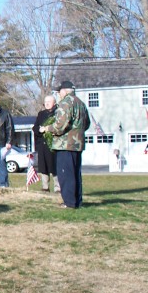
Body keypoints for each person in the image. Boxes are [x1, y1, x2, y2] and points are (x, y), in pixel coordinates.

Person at [40, 80, 90, 208]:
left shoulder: (66, 103)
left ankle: (69, 202)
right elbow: (87, 124)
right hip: (77, 144)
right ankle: (77, 201)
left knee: (65, 174)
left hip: (65, 144)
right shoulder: (81, 103)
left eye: (59, 91)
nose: (58, 94)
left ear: (65, 91)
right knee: (75, 174)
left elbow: (60, 125)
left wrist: (47, 128)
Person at [32, 94, 59, 193]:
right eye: (45, 102)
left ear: (54, 103)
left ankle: (57, 187)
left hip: (53, 144)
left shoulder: (58, 113)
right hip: (42, 144)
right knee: (43, 167)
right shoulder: (41, 114)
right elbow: (35, 128)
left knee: (55, 166)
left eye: (49, 102)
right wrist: (39, 130)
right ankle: (45, 187)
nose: (47, 103)